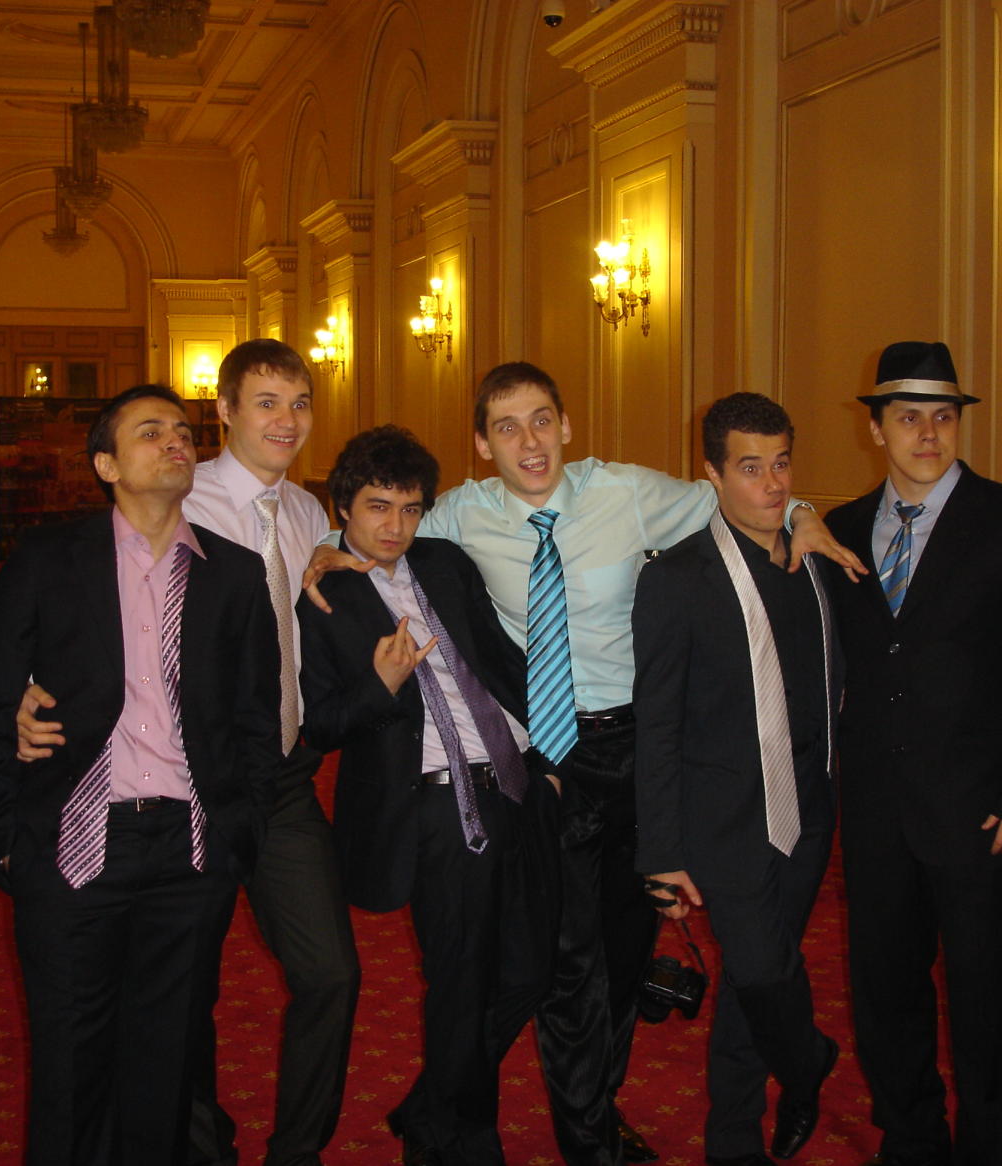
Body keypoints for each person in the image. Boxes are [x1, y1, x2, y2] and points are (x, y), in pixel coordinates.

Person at [306, 361, 862, 1166]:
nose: (528, 441)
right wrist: (326, 550)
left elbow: (740, 492)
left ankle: (588, 1105)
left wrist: (803, 513)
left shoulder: (626, 491)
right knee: (566, 963)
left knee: (626, 952)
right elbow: (377, 526)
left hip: (638, 750)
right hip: (547, 757)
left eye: (541, 420)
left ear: (565, 425)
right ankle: (586, 1139)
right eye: (507, 427)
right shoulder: (461, 512)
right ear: (482, 444)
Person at [16, 340, 360, 1166]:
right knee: (179, 995)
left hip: (274, 779)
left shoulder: (306, 512)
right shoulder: (173, 493)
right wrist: (25, 690)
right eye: (266, 402)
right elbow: (79, 604)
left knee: (330, 973)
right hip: (174, 784)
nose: (286, 420)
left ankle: (296, 1151)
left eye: (299, 403)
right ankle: (201, 1145)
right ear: (225, 411)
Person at [0, 385, 284, 1165]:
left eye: (182, 430)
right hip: (74, 841)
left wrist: (239, 834)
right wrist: (7, 836)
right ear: (106, 465)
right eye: (150, 432)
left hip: (190, 851)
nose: (176, 441)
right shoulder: (48, 560)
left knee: (165, 1064)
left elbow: (256, 718)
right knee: (70, 1063)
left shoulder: (233, 574)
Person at [823, 341, 1002, 1166]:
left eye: (942, 417)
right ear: (876, 430)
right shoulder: (839, 530)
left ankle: (991, 1146)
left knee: (988, 996)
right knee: (885, 991)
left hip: (981, 814)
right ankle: (911, 1137)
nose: (927, 434)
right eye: (908, 418)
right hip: (876, 814)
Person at [298, 424, 560, 1166]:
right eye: (378, 507)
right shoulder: (323, 597)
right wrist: (380, 684)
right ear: (343, 507)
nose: (394, 527)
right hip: (438, 804)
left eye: (410, 509)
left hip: (515, 782)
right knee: (462, 977)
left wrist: (550, 755)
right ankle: (461, 1140)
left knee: (532, 971)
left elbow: (502, 659)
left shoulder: (444, 563)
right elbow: (319, 726)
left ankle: (430, 1106)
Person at [633, 393, 843, 1165]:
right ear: (712, 475)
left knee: (755, 982)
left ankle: (732, 1138)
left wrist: (808, 519)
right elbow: (656, 722)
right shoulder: (675, 577)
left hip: (809, 807)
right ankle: (807, 1062)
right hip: (721, 820)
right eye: (750, 468)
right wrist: (659, 851)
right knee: (759, 966)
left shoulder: (818, 559)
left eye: (781, 464)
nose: (773, 484)